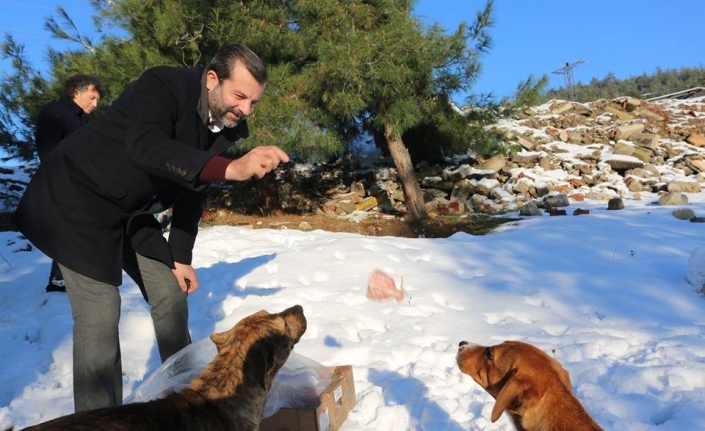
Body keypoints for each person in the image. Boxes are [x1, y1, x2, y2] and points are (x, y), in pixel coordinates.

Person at [13, 44, 289, 412]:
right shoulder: (161, 84)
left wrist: (181, 255)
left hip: (128, 212)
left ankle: (187, 402)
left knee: (169, 292)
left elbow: (194, 190)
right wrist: (230, 168)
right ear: (211, 79)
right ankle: (99, 420)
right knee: (100, 310)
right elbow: (146, 147)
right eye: (240, 96)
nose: (245, 109)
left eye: (254, 102)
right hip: (76, 199)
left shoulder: (225, 124)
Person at [35, 74, 104, 292]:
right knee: (68, 230)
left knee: (82, 229)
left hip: (83, 182)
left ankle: (75, 275)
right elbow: (47, 150)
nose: (96, 104)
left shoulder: (83, 120)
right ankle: (59, 279)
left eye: (98, 99)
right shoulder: (54, 111)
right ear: (76, 92)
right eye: (92, 98)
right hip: (63, 182)